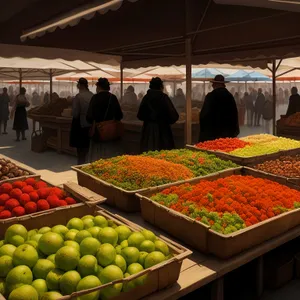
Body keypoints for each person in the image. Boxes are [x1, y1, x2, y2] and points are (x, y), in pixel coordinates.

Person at [137, 77, 179, 152]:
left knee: (148, 152)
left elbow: (140, 115)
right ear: (161, 86)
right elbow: (174, 116)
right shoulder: (164, 98)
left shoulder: (146, 98)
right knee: (163, 153)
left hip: (148, 130)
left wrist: (149, 118)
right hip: (163, 131)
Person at [86, 78, 123, 161]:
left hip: (97, 132)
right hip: (111, 133)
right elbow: (119, 115)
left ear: (98, 87)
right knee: (110, 158)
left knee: (97, 157)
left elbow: (89, 117)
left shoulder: (95, 98)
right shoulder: (113, 98)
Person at [199, 75, 239, 142]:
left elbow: (204, 115)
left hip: (212, 134)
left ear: (215, 84)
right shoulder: (229, 96)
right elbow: (234, 115)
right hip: (227, 133)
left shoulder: (210, 96)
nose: (212, 85)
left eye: (213, 83)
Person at [70, 78, 94, 165]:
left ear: (80, 85)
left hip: (80, 124)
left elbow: (75, 113)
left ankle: (80, 165)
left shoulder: (78, 96)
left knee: (80, 150)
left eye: (78, 84)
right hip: (90, 124)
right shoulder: (92, 95)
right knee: (88, 147)